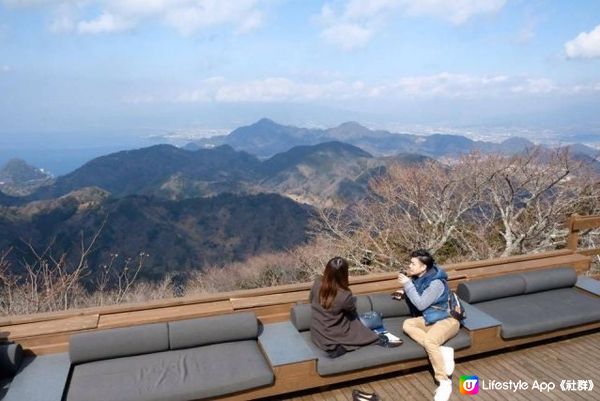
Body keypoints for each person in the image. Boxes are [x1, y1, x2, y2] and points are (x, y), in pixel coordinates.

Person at [399, 249, 459, 401]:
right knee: (407, 324)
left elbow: (421, 304)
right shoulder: (421, 278)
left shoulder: (436, 283)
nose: (409, 266)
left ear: (423, 267)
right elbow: (419, 292)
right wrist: (404, 290)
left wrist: (407, 284)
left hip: (446, 319)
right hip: (431, 318)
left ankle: (444, 381)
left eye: (413, 263)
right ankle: (441, 351)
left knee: (430, 341)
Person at [310, 256, 380, 358]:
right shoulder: (344, 294)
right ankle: (340, 347)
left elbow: (311, 299)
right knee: (368, 335)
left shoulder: (317, 282)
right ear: (344, 274)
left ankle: (336, 346)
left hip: (317, 333)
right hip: (330, 335)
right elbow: (352, 310)